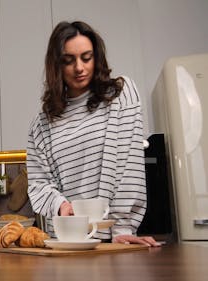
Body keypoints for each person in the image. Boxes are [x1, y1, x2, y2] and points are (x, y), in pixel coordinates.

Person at [26, 21, 160, 246]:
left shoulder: (121, 94)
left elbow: (129, 168)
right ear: (56, 66)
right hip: (67, 242)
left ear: (96, 58)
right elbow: (39, 183)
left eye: (86, 58)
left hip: (114, 239)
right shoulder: (41, 124)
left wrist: (122, 228)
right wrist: (60, 205)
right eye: (68, 61)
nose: (79, 68)